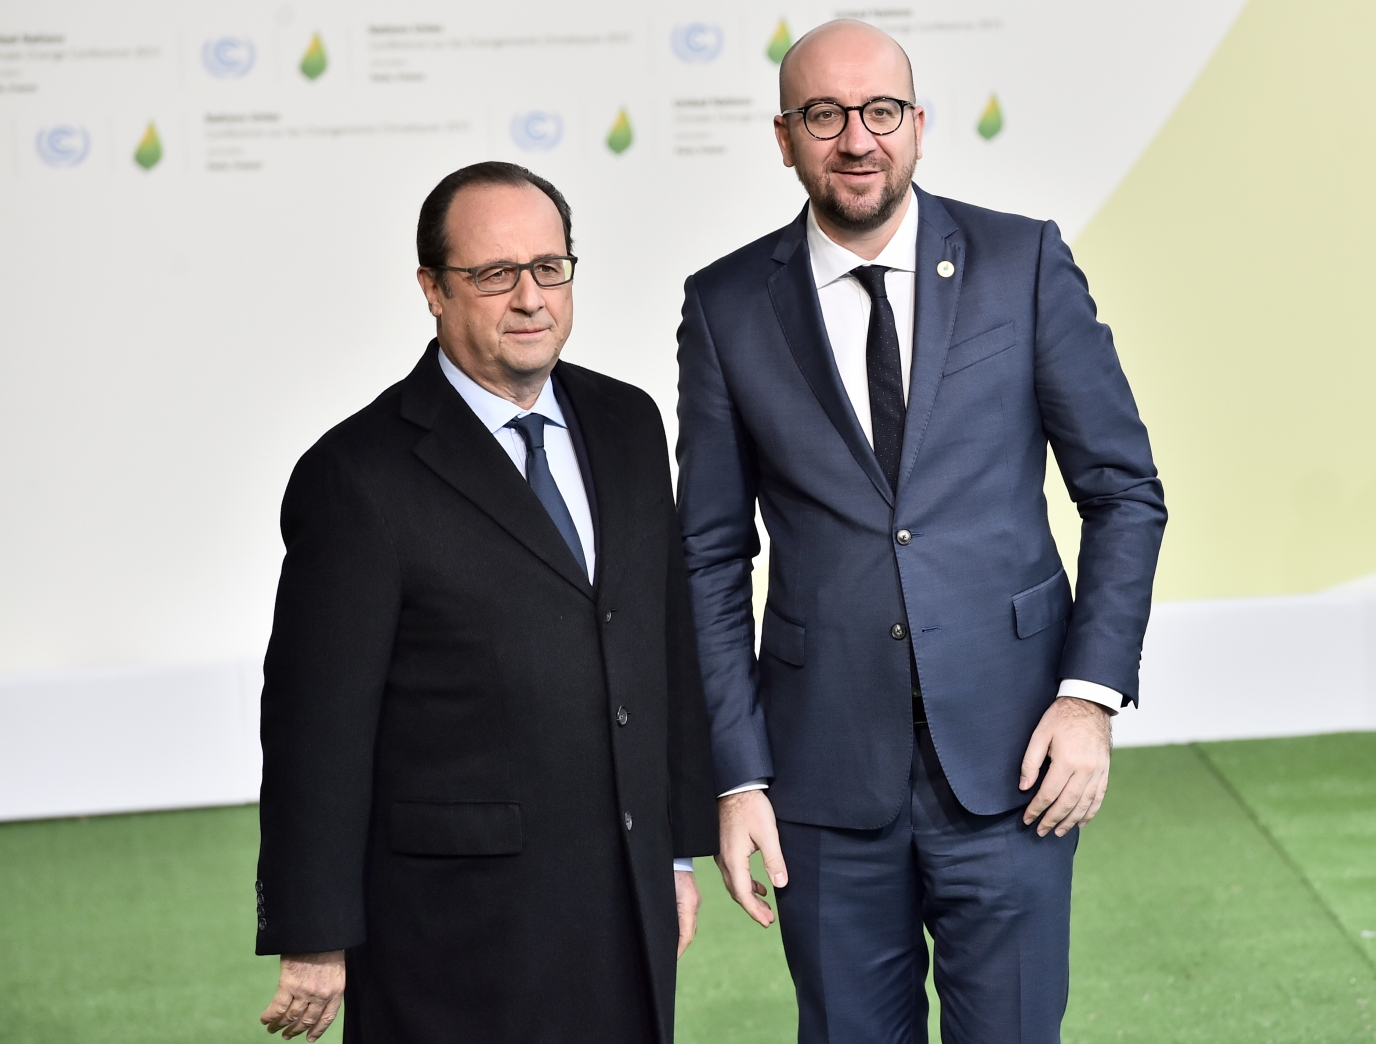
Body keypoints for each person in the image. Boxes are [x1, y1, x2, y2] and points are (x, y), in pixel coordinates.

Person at [675, 20, 1166, 1044]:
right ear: (783, 137)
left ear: (917, 126)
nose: (856, 138)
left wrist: (1087, 698)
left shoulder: (1018, 260)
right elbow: (711, 555)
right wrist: (735, 771)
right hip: (818, 775)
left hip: (1015, 762)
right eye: (823, 115)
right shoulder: (724, 307)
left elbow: (1121, 489)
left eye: (879, 112)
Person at [254, 161, 718, 1044]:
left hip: (623, 901)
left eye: (550, 267)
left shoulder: (628, 424)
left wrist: (670, 850)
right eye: (495, 275)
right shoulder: (355, 476)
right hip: (450, 929)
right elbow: (317, 724)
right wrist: (315, 933)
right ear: (432, 288)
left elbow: (660, 642)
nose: (531, 298)